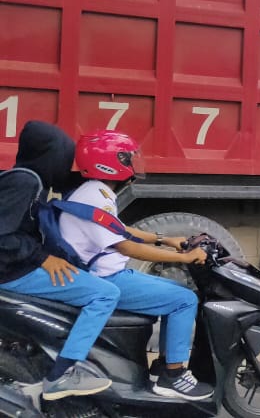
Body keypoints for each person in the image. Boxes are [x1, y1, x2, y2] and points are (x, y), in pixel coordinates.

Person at [57, 130, 213, 401]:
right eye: (127, 158)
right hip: (106, 277)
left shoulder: (94, 190)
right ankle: (173, 375)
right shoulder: (97, 194)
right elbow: (127, 246)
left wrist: (165, 239)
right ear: (110, 162)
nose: (133, 164)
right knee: (184, 299)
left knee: (178, 293)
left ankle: (165, 364)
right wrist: (185, 258)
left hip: (107, 272)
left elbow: (119, 229)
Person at [0, 121, 120, 400]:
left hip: (18, 265)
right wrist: (42, 258)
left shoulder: (29, 178)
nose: (66, 166)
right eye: (63, 158)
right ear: (49, 156)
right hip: (13, 271)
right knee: (105, 293)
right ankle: (61, 375)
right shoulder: (26, 181)